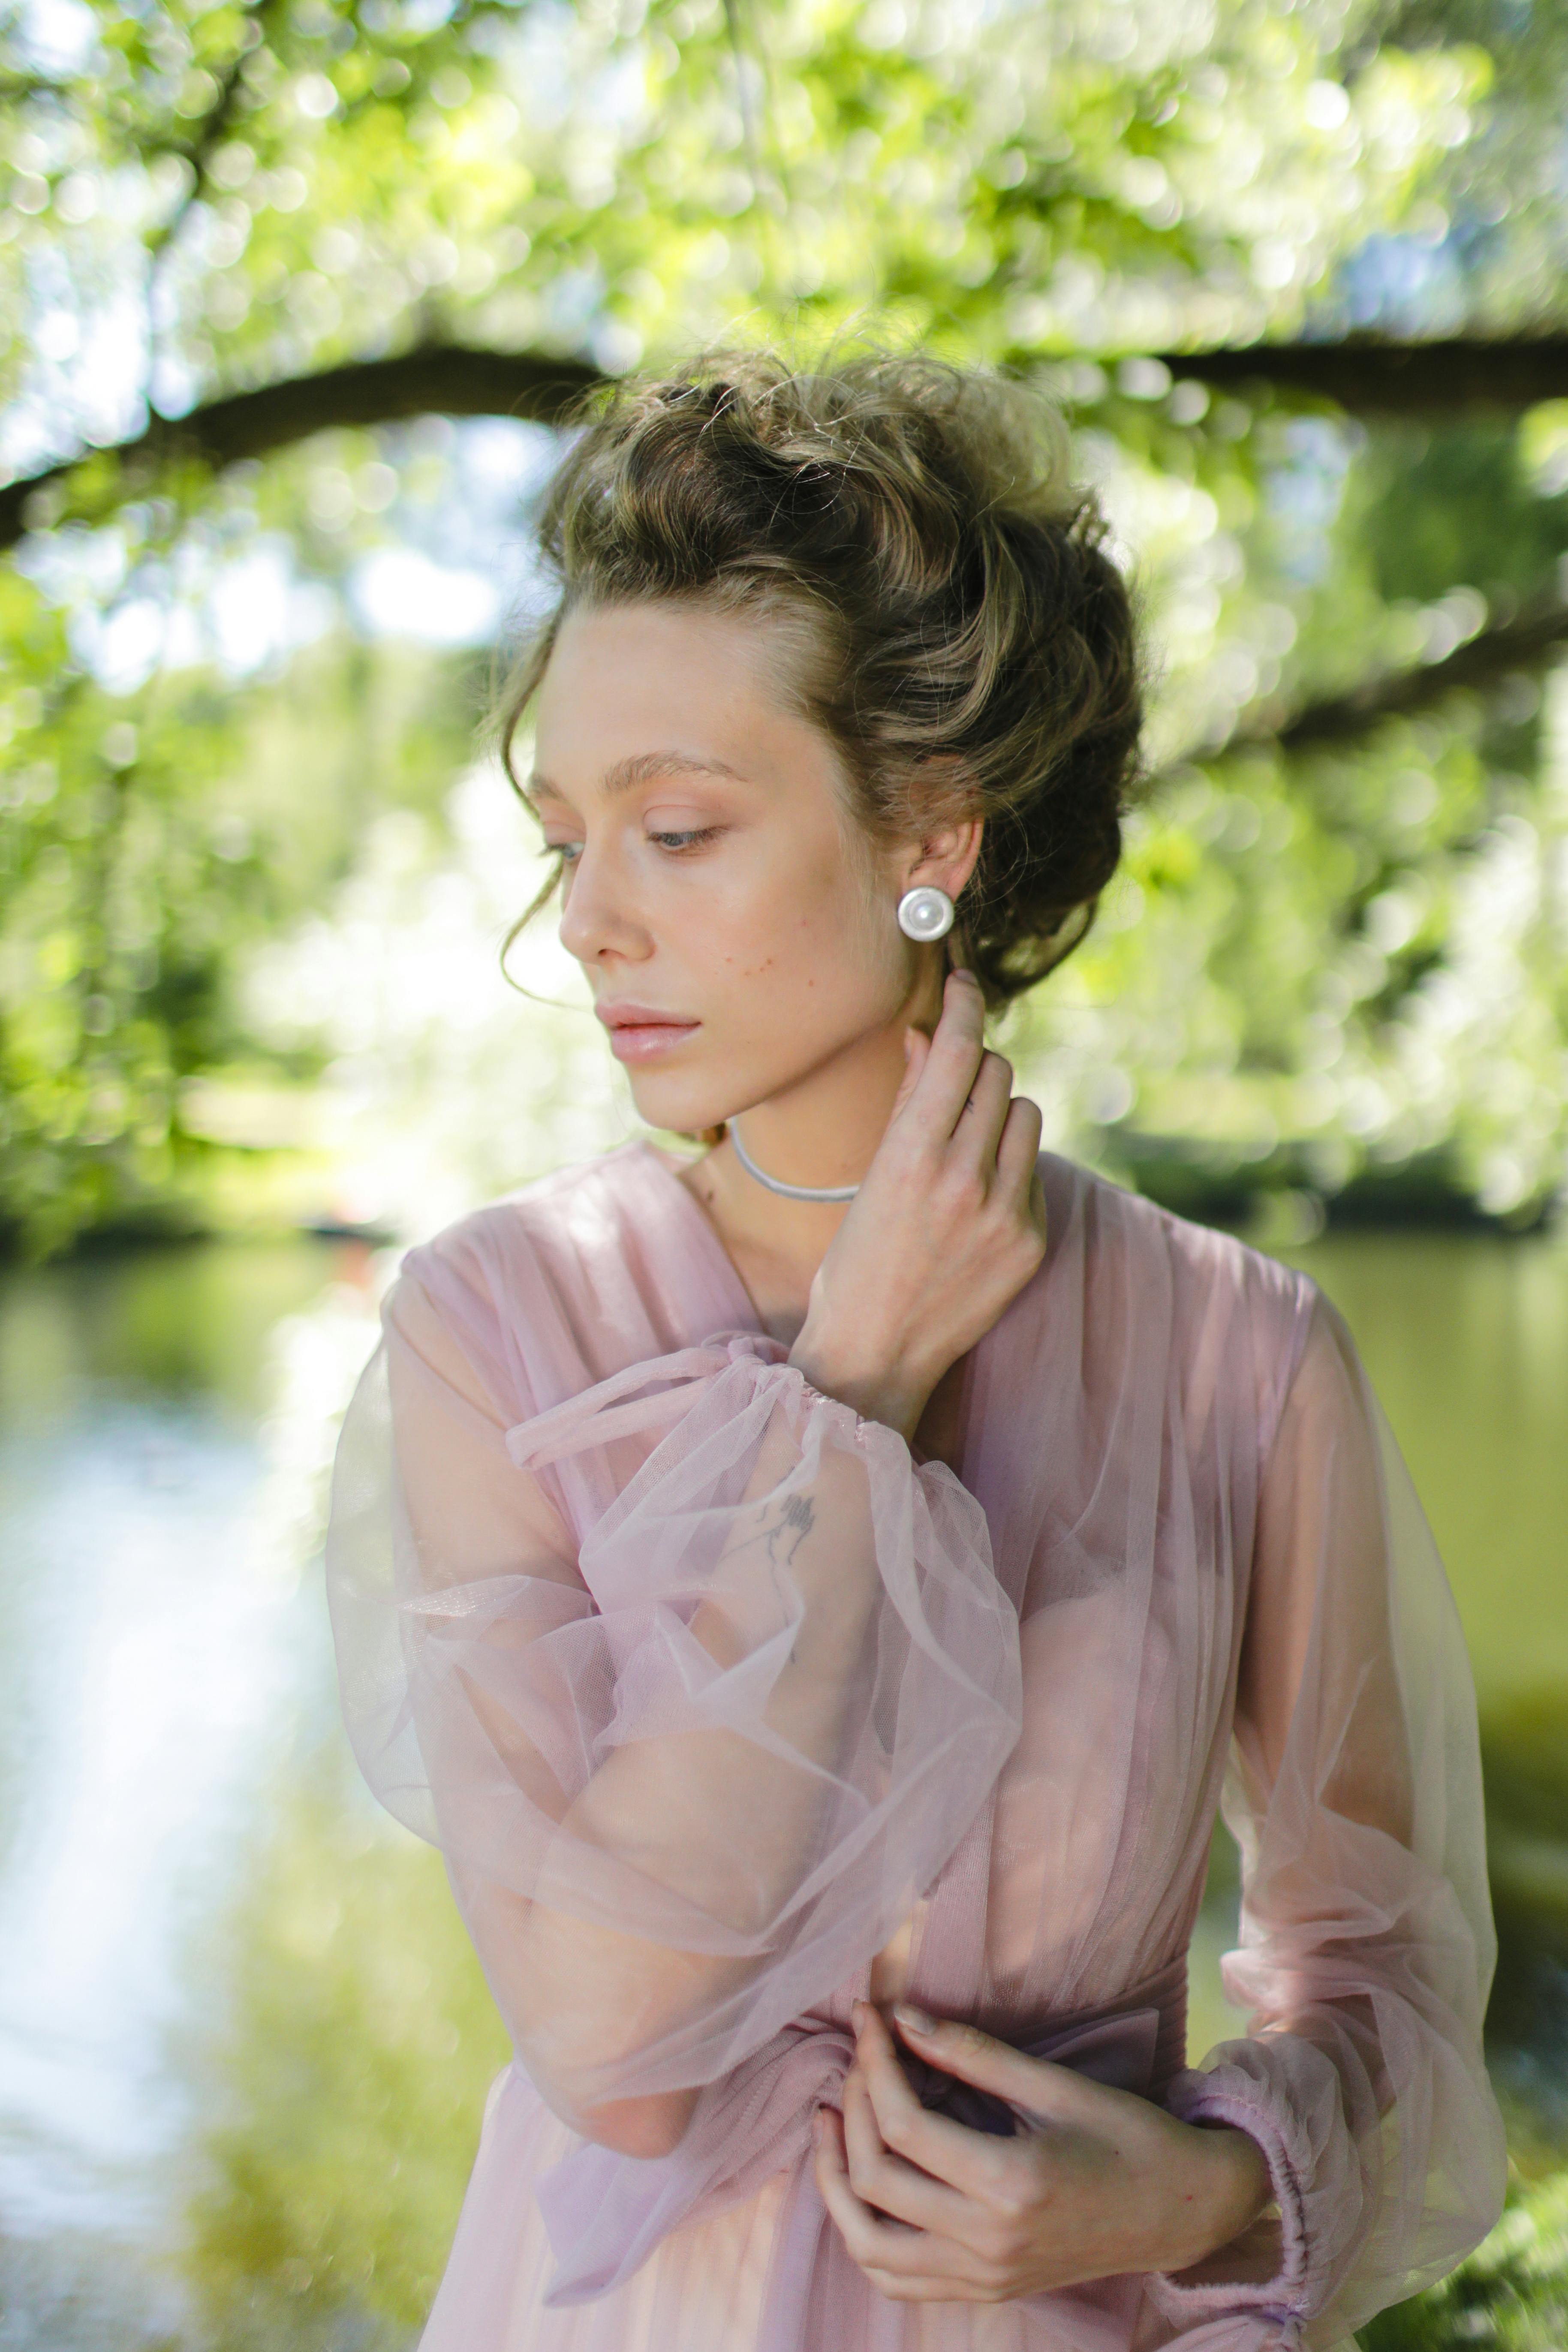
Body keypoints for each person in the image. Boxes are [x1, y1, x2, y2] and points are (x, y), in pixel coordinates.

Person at [323, 352, 1506, 2352]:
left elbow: (1385, 1976)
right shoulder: (493, 1331)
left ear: (929, 832)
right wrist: (845, 1401)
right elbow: (611, 2040)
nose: (587, 921)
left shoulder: (1242, 1355)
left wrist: (1210, 2183)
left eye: (676, 830)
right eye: (565, 839)